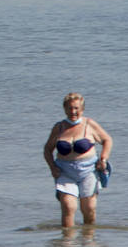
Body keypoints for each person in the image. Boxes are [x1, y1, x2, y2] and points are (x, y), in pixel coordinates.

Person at [44, 92, 113, 227]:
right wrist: (52, 167)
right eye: (69, 108)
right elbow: (47, 149)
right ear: (64, 109)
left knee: (89, 209)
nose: (73, 111)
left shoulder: (89, 124)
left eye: (76, 108)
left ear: (82, 109)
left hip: (88, 171)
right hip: (65, 172)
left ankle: (88, 239)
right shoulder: (59, 128)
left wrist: (103, 159)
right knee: (68, 207)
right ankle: (67, 244)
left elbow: (107, 140)